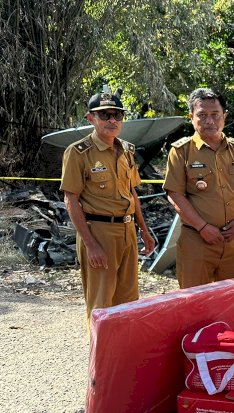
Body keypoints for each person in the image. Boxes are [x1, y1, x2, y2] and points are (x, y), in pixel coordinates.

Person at [60, 92, 155, 318]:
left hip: (127, 231)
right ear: (91, 118)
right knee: (101, 304)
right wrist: (91, 245)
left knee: (128, 301)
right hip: (98, 232)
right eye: (105, 115)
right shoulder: (78, 152)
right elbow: (70, 199)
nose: (112, 120)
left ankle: (122, 352)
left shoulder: (127, 151)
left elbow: (132, 192)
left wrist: (144, 230)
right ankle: (102, 353)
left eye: (117, 115)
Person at [163, 88, 234, 289]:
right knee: (195, 302)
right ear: (191, 117)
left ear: (224, 116)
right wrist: (202, 227)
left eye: (215, 115)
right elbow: (175, 194)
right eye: (202, 115)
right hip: (197, 240)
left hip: (233, 241)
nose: (209, 121)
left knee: (232, 301)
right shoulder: (181, 152)